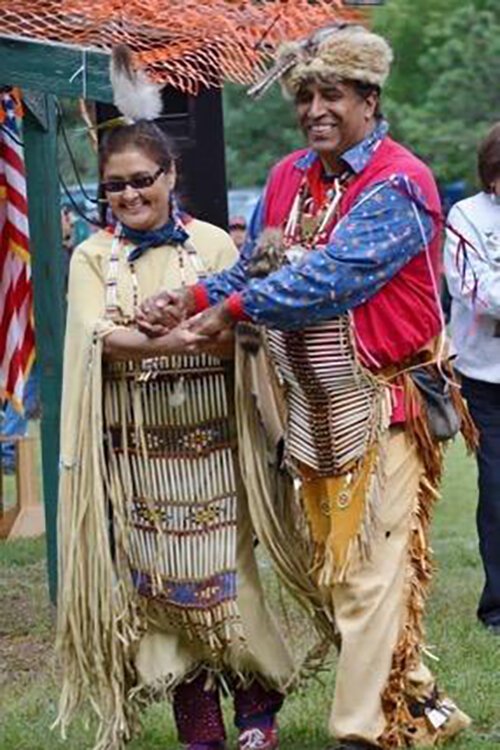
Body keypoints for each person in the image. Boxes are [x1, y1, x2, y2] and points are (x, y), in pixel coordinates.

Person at [137, 24, 474, 750]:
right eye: (306, 96)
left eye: (333, 95)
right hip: (310, 410)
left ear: (369, 98)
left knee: (368, 580)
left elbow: (332, 278)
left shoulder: (400, 182)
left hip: (384, 402)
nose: (316, 109)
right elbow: (259, 270)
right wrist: (192, 299)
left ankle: (362, 732)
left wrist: (228, 312)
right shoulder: (291, 176)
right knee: (340, 581)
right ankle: (421, 707)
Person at [55, 49, 292, 750]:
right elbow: (99, 342)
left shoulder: (214, 245)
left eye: (141, 182)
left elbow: (242, 338)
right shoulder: (92, 256)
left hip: (216, 444)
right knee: (158, 585)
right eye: (114, 187)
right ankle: (199, 723)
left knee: (228, 576)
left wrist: (165, 335)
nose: (128, 196)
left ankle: (256, 708)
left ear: (171, 176)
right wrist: (181, 336)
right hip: (136, 452)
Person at [444, 123, 500, 635]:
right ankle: (497, 607)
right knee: (498, 489)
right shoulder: (467, 217)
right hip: (486, 381)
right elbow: (476, 290)